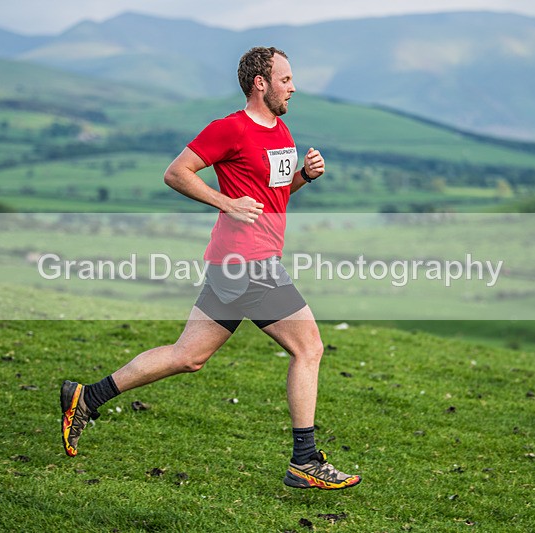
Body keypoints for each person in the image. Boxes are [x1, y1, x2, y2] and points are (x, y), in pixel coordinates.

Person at [61, 46, 361, 490]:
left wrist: (303, 177)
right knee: (309, 348)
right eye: (285, 79)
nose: (293, 87)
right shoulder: (230, 129)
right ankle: (305, 460)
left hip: (240, 263)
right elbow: (176, 172)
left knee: (189, 356)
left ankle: (88, 397)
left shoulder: (281, 131)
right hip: (246, 263)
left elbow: (272, 201)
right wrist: (224, 202)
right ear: (260, 83)